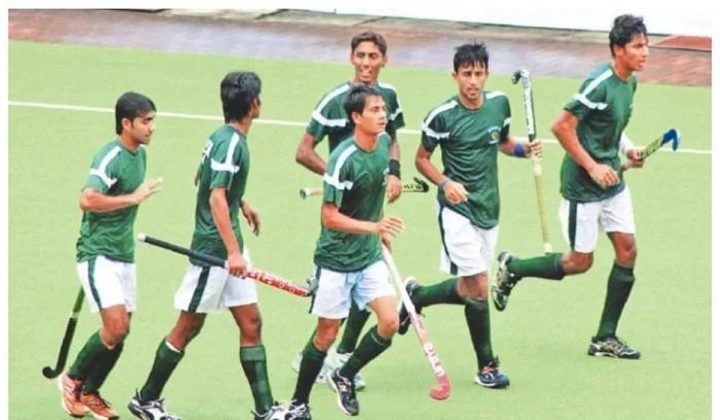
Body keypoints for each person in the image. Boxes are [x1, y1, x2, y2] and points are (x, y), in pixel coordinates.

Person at [491, 14, 648, 360]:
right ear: (617, 49)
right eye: (637, 46)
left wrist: (628, 149)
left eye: (645, 45)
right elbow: (561, 126)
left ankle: (604, 337)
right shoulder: (599, 83)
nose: (645, 52)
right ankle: (513, 268)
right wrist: (592, 166)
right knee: (580, 261)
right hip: (582, 187)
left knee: (628, 252)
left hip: (612, 183)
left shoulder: (630, 83)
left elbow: (611, 124)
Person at [128, 71, 283, 420]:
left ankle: (266, 411)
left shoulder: (220, 136)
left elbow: (204, 178)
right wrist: (232, 252)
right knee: (188, 326)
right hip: (215, 251)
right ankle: (146, 399)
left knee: (251, 323)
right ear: (253, 104)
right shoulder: (232, 143)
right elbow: (214, 197)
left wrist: (240, 201)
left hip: (229, 246)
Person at [398, 42, 542, 389]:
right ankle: (487, 366)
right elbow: (421, 159)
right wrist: (446, 183)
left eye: (478, 74)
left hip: (489, 208)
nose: (473, 81)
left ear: (487, 74)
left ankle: (416, 296)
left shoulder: (499, 105)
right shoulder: (441, 116)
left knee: (468, 287)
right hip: (456, 210)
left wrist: (523, 149)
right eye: (466, 74)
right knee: (478, 285)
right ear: (455, 76)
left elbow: (502, 141)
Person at [292, 30, 405, 390]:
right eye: (361, 56)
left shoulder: (387, 100)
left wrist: (393, 172)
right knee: (342, 291)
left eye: (374, 56)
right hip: (342, 210)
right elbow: (303, 151)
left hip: (372, 207)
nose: (367, 63)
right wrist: (339, 178)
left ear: (384, 60)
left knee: (371, 290)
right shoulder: (334, 101)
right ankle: (315, 356)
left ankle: (342, 358)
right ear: (351, 58)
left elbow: (392, 140)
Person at [59, 91, 162, 420]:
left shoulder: (140, 155)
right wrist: (132, 198)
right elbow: (87, 200)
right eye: (146, 121)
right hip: (97, 253)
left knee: (122, 330)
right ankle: (72, 379)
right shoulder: (110, 156)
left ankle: (91, 392)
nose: (152, 127)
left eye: (153, 121)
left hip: (123, 253)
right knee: (115, 328)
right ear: (126, 123)